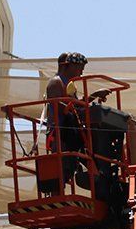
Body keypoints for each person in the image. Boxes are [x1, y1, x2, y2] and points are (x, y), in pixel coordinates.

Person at [39, 52, 110, 193]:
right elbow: (59, 106)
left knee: (87, 153)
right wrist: (73, 108)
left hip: (69, 129)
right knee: (62, 165)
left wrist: (94, 95)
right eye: (79, 67)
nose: (81, 72)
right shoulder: (56, 82)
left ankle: (99, 179)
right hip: (60, 130)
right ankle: (57, 193)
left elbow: (77, 106)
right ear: (68, 66)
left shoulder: (69, 85)